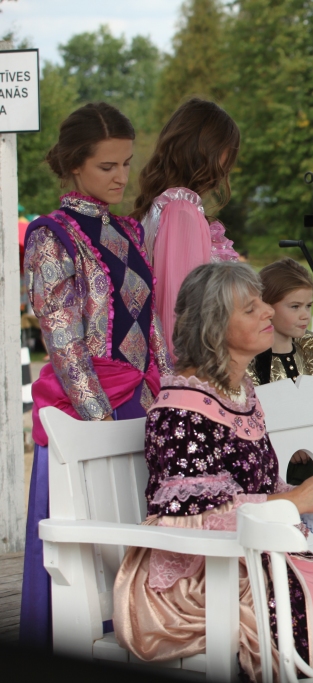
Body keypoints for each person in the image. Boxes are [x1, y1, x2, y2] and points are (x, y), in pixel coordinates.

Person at [113, 262, 313, 680]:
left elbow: (258, 488)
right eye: (251, 309)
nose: (268, 311)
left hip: (256, 557)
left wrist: (307, 491)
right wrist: (294, 501)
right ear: (214, 326)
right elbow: (190, 519)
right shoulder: (180, 410)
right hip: (206, 575)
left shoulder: (240, 393)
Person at [20, 103, 173, 650]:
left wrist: (172, 394)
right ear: (74, 165)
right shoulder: (49, 237)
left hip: (142, 402)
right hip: (88, 412)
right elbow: (64, 345)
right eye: (107, 166)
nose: (121, 177)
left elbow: (151, 325)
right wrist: (99, 424)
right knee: (89, 551)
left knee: (137, 534)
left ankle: (142, 640)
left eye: (126, 163)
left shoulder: (127, 230)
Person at [130, 98, 241, 357]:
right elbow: (179, 312)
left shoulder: (164, 207)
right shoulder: (181, 211)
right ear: (208, 150)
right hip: (189, 368)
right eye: (228, 151)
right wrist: (186, 375)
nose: (229, 164)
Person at [247, 257, 313, 386]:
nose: (305, 315)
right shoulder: (247, 359)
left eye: (308, 306)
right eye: (295, 306)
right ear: (266, 307)